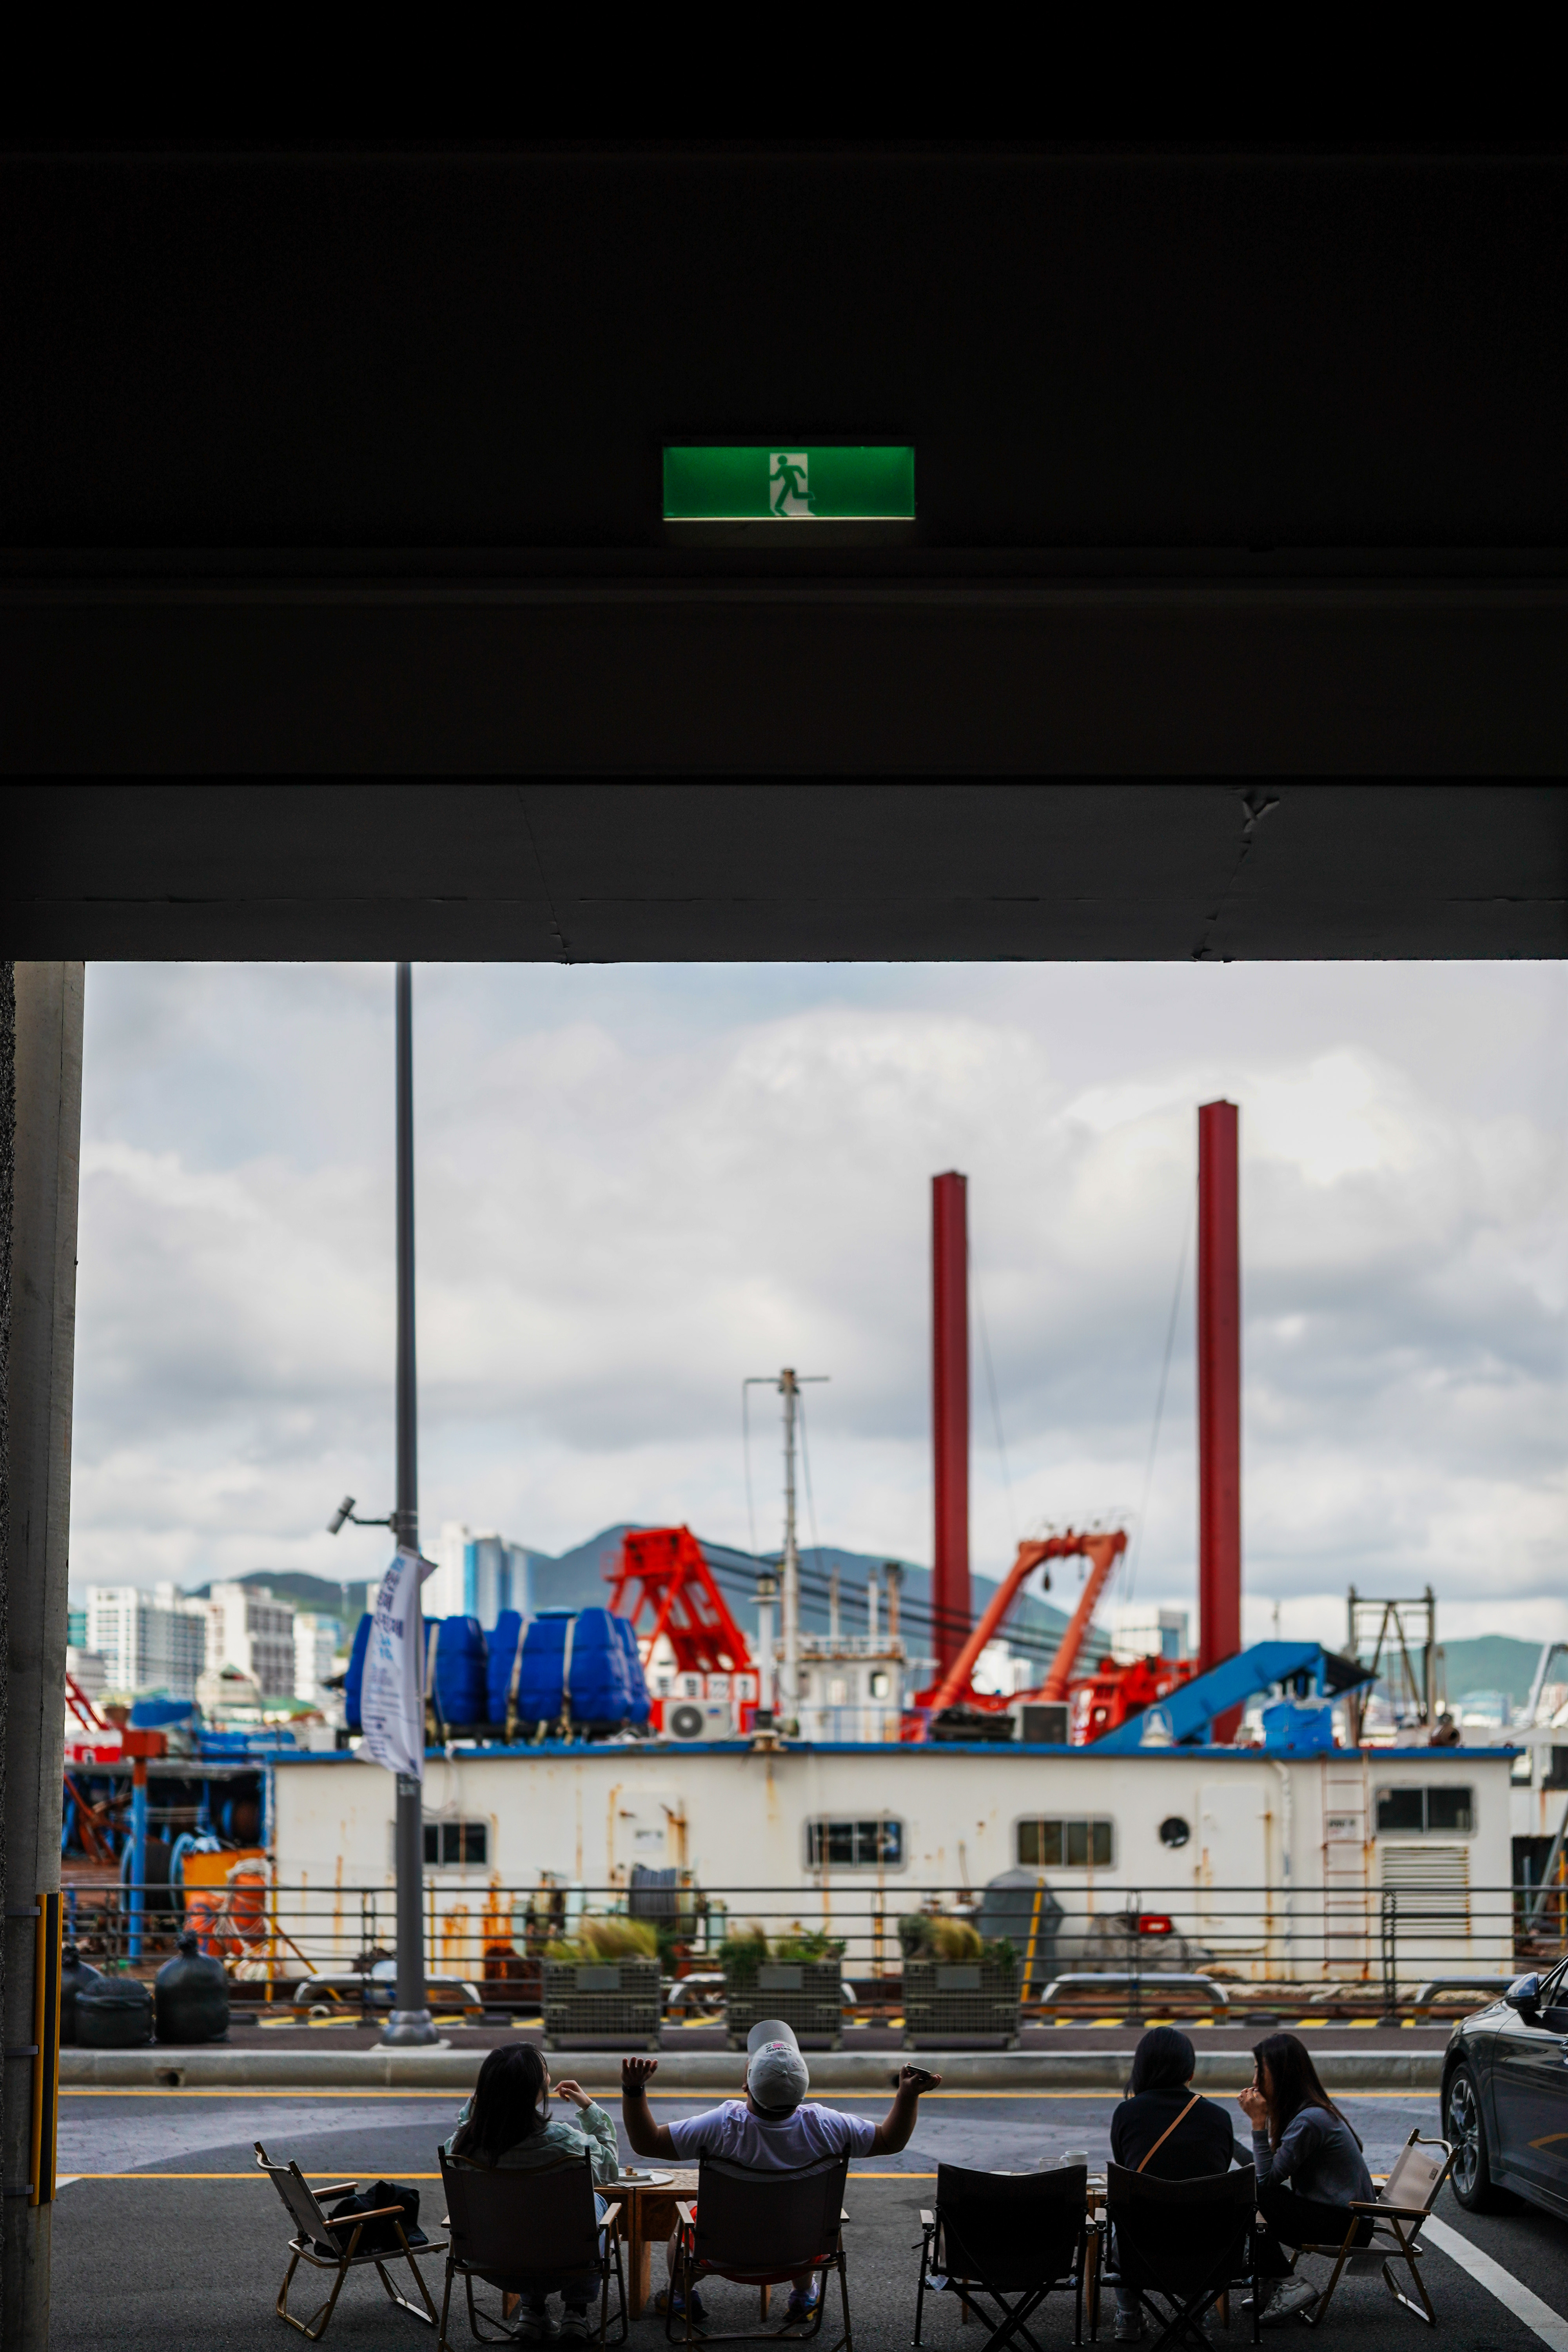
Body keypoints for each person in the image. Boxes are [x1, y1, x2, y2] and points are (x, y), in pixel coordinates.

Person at [622, 2023, 940, 2325]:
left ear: (747, 2084)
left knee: (688, 2215)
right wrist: (908, 2095)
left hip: (721, 2258)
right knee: (806, 2215)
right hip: (802, 2256)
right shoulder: (828, 2125)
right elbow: (890, 2141)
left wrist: (634, 2090)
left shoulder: (720, 2125)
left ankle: (680, 2298)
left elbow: (647, 2142)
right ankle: (804, 2296)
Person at [446, 2042, 619, 2340]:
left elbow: (466, 2123)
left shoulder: (463, 2146)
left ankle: (532, 2312)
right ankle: (576, 2314)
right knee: (595, 2202)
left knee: (515, 2216)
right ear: (538, 2089)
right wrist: (589, 2110)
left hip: (490, 2265)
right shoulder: (566, 2143)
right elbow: (610, 2169)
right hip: (568, 2265)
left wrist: (479, 2102)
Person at [1106, 2026, 1240, 2343]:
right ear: (1190, 2071)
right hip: (1211, 2248)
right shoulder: (1218, 2117)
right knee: (1198, 2221)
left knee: (1119, 2221)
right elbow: (1218, 2176)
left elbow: (1127, 2174)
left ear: (1141, 2069)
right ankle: (1196, 2314)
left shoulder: (1126, 2114)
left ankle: (1128, 2316)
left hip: (1142, 2249)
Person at [1238, 2031, 1374, 2327]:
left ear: (1282, 2074)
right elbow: (1270, 2173)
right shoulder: (1310, 2112)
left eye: (1261, 2071)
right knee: (1252, 2192)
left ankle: (1288, 2283)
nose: (1255, 2080)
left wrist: (1258, 2123)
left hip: (1347, 2225)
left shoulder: (1309, 2120)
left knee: (1253, 2195)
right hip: (1343, 2216)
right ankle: (1270, 2278)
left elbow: (1267, 2179)